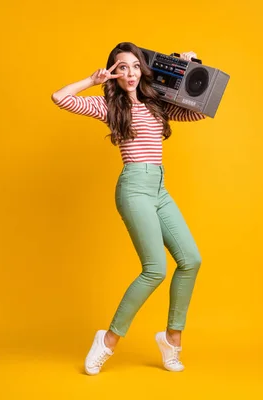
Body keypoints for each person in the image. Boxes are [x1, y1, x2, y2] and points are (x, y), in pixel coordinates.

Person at [51, 42, 207, 374]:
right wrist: (93, 81)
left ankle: (172, 340)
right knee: (155, 269)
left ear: (143, 69)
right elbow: (60, 97)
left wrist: (187, 68)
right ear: (114, 72)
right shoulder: (109, 105)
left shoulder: (157, 103)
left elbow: (199, 109)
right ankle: (107, 341)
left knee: (191, 260)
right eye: (122, 67)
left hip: (159, 188)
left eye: (135, 66)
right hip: (134, 188)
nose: (130, 73)